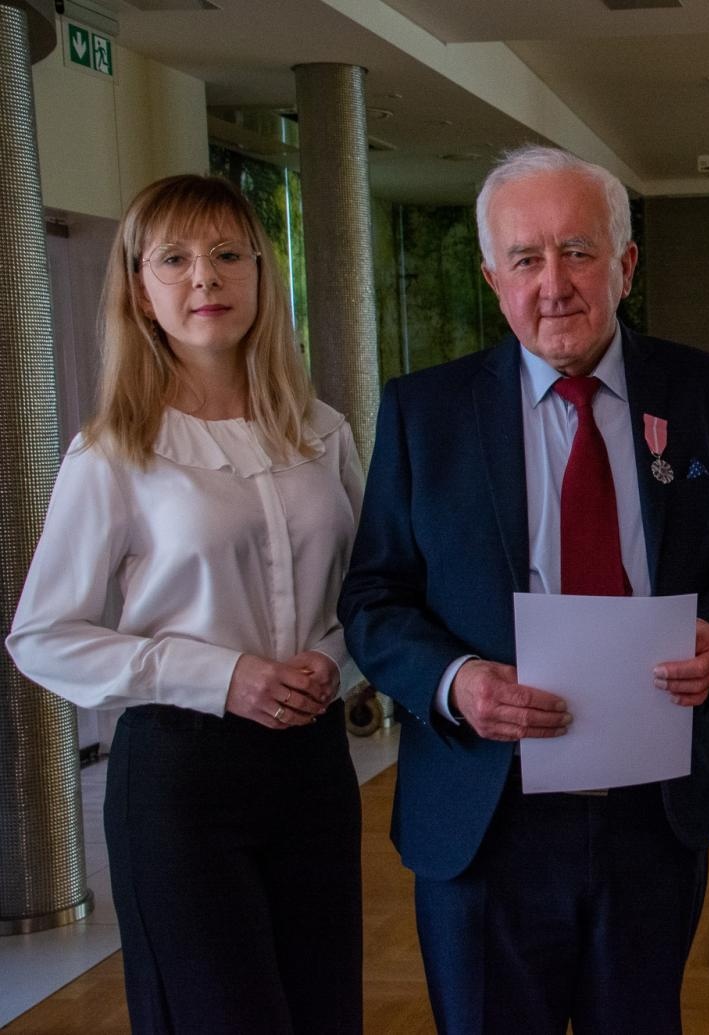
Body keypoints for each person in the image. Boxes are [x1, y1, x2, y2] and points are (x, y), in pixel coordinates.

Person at [337, 144, 709, 1035]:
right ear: (492, 275)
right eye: (526, 258)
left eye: (577, 252)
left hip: (652, 814)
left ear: (624, 265)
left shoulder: (704, 391)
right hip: (484, 814)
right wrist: (455, 679)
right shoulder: (425, 412)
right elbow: (372, 597)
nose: (554, 284)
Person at [6, 174, 364, 1034]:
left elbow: (370, 589)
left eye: (227, 254)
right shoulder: (114, 451)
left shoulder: (325, 431)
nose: (205, 277)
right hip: (182, 777)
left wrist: (336, 654)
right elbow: (42, 635)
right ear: (140, 289)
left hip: (314, 768)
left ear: (260, 274)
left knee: (325, 1014)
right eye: (176, 258)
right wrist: (220, 675)